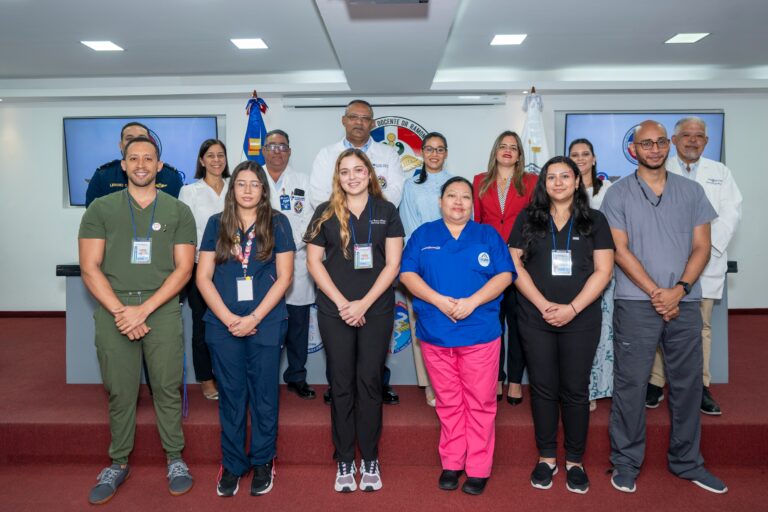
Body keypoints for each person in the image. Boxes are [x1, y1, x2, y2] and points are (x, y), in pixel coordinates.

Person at [602, 120, 727, 494]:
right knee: (631, 386)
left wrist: (679, 290)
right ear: (633, 149)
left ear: (668, 146)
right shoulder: (618, 194)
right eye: (646, 144)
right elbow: (619, 251)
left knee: (687, 386)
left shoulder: (692, 191)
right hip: (636, 303)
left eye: (659, 143)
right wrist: (659, 292)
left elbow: (702, 247)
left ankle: (687, 462)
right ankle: (625, 463)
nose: (654, 149)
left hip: (684, 303)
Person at [79, 136, 196, 504]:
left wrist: (143, 311)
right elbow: (89, 267)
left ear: (160, 166)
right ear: (124, 165)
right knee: (120, 390)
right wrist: (121, 311)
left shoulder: (178, 211)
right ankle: (117, 462)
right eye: (134, 158)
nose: (142, 164)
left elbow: (183, 269)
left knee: (165, 388)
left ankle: (175, 458)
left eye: (149, 158)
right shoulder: (100, 208)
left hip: (161, 309)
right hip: (115, 309)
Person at [401, 176, 514, 496]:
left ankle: (478, 466)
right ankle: (452, 462)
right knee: (449, 402)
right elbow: (407, 273)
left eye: (465, 197)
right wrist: (437, 300)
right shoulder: (424, 235)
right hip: (436, 334)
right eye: (452, 196)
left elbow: (505, 274)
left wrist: (472, 302)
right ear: (440, 201)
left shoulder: (487, 235)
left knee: (480, 402)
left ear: (473, 204)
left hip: (479, 333)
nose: (459, 202)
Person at [508, 157, 614, 494]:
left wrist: (572, 308)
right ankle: (547, 457)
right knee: (542, 387)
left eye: (564, 176)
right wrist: (542, 305)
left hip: (580, 318)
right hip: (534, 317)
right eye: (551, 177)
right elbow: (514, 266)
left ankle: (575, 461)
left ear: (576, 181)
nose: (557, 182)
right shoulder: (528, 218)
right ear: (543, 184)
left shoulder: (595, 220)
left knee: (575, 388)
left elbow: (603, 271)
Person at [305, 148, 404, 492]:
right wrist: (345, 303)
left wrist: (363, 304)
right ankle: (345, 459)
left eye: (358, 171)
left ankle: (371, 457)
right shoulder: (324, 212)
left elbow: (392, 265)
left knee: (369, 384)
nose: (352, 177)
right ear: (338, 177)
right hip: (336, 310)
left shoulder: (387, 211)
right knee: (342, 385)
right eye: (345, 171)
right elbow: (314, 263)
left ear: (369, 174)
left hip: (376, 309)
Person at [196, 161, 295, 497]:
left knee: (264, 396)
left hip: (265, 323)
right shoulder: (216, 224)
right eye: (241, 184)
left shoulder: (279, 224)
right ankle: (234, 463)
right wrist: (228, 318)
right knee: (232, 398)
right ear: (232, 188)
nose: (248, 190)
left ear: (263, 190)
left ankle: (264, 460)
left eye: (255, 184)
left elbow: (285, 277)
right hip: (223, 326)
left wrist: (253, 319)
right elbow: (202, 277)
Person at [309, 99, 404, 405]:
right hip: (338, 246)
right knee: (342, 370)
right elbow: (318, 197)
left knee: (371, 369)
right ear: (344, 120)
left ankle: (374, 388)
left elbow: (394, 195)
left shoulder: (388, 155)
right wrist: (345, 212)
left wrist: (367, 213)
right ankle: (341, 396)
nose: (359, 122)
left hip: (376, 247)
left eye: (365, 118)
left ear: (373, 123)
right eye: (353, 117)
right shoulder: (326, 155)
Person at [646, 116, 742, 416]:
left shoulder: (720, 173)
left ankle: (700, 385)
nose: (692, 140)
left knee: (701, 327)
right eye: (686, 135)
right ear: (673, 141)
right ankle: (656, 381)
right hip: (667, 262)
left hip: (707, 262)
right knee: (661, 320)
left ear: (706, 141)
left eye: (699, 136)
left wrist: (706, 248)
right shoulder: (661, 169)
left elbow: (731, 213)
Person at [473, 131, 537, 405]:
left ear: (520, 155)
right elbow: (475, 223)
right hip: (489, 265)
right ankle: (496, 378)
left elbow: (536, 221)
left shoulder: (532, 182)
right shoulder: (479, 181)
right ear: (495, 151)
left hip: (522, 261)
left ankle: (514, 381)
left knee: (519, 324)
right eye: (503, 146)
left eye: (514, 147)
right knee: (492, 325)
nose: (508, 150)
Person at [398, 132, 453, 407]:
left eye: (439, 149)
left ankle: (451, 382)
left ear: (446, 153)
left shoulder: (455, 184)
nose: (434, 154)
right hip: (421, 263)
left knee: (451, 321)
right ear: (421, 153)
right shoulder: (411, 185)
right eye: (429, 149)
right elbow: (409, 228)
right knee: (424, 324)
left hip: (453, 264)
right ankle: (430, 383)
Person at [262, 129, 317, 400]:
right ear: (263, 150)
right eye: (271, 146)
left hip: (297, 260)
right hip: (260, 263)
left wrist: (286, 247)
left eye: (282, 146)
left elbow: (312, 221)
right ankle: (264, 378)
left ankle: (296, 376)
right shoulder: (253, 178)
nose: (277, 151)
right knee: (265, 325)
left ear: (289, 151)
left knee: (297, 326)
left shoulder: (304, 181)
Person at [178, 139, 230, 400]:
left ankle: (227, 375)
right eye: (210, 155)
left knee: (230, 322)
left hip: (233, 266)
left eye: (221, 155)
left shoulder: (235, 187)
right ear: (201, 160)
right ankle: (206, 378)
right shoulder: (189, 192)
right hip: (201, 266)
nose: (216, 160)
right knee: (203, 324)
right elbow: (184, 234)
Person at [568, 138, 615, 412]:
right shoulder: (563, 189)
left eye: (586, 154)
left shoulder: (608, 191)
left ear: (594, 158)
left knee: (599, 331)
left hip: (600, 269)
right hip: (570, 271)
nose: (580, 158)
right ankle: (576, 386)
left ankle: (595, 388)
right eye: (575, 154)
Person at [85, 121, 183, 207]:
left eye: (142, 138)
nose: (136, 142)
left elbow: (179, 215)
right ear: (120, 145)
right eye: (129, 138)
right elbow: (94, 216)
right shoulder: (103, 176)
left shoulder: (171, 177)